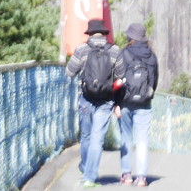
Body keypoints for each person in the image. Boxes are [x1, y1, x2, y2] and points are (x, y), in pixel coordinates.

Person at [66, 18, 125, 188]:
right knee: (97, 139)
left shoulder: (82, 50)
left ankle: (85, 167)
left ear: (89, 33)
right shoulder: (114, 51)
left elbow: (70, 72)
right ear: (105, 33)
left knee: (86, 136)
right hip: (106, 100)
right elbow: (121, 75)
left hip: (85, 98)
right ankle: (90, 177)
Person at [114, 23, 159, 187]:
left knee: (126, 138)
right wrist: (147, 95)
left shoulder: (124, 54)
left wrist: (116, 103)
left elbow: (117, 79)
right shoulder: (151, 56)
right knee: (142, 140)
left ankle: (126, 174)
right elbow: (154, 81)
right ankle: (141, 177)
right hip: (144, 105)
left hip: (125, 102)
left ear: (130, 38)